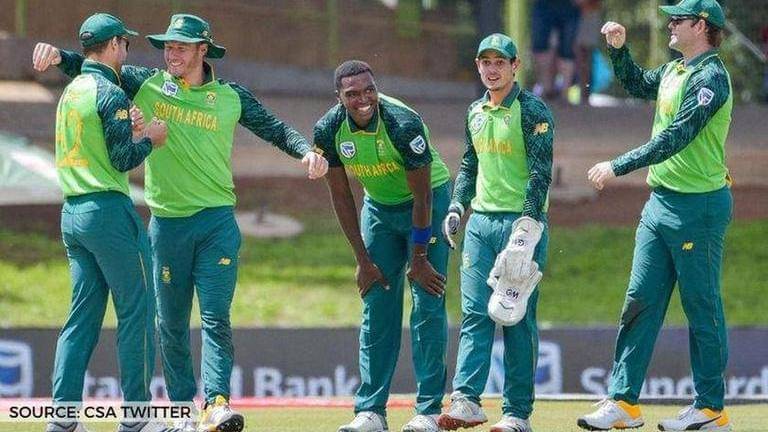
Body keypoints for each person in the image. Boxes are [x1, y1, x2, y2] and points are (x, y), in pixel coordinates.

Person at [33, 13, 328, 432]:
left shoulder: (230, 96)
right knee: (169, 325)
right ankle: (180, 413)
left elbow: (273, 127)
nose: (170, 54)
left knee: (215, 318)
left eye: (180, 47)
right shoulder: (146, 83)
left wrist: (306, 151)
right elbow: (94, 67)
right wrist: (58, 56)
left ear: (203, 50)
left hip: (215, 222)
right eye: (167, 46)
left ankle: (217, 404)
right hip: (167, 224)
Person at [577, 1, 734, 430]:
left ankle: (710, 408)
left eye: (677, 20)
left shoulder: (711, 78)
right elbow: (635, 82)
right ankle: (623, 403)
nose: (670, 24)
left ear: (700, 26)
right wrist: (619, 51)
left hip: (699, 208)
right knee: (639, 301)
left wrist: (618, 166)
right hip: (659, 204)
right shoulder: (674, 70)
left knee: (701, 305)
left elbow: (675, 137)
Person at [34, 13, 172, 432]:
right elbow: (122, 158)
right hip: (108, 211)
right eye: (125, 43)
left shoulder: (72, 90)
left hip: (73, 213)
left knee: (81, 319)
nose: (126, 50)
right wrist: (150, 139)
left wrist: (127, 127)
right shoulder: (109, 93)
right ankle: (137, 419)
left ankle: (63, 419)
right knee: (137, 312)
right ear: (113, 45)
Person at [314, 60, 451, 432]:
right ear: (339, 97)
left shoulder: (402, 124)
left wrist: (419, 257)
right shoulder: (328, 129)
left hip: (428, 204)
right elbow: (342, 196)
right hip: (378, 208)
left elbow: (423, 196)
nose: (363, 100)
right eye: (353, 94)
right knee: (376, 303)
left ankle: (428, 411)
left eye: (369, 90)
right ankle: (371, 412)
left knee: (427, 302)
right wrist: (362, 259)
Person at [439, 33, 554, 432]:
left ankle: (517, 413)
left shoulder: (532, 110)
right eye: (486, 62)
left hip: (522, 225)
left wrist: (526, 231)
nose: (492, 69)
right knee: (475, 313)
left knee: (516, 318)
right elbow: (469, 165)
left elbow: (540, 174)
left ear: (514, 66)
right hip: (480, 225)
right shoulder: (474, 111)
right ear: (478, 66)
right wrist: (457, 206)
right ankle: (466, 400)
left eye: (500, 62)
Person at [531, 0, 581, 101]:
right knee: (540, 46)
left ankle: (564, 94)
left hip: (570, 5)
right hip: (544, 4)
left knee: (567, 49)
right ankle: (546, 90)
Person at [574, 0, 604, 105]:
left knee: (585, 57)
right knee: (573, 57)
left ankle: (585, 94)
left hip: (589, 15)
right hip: (569, 15)